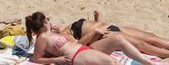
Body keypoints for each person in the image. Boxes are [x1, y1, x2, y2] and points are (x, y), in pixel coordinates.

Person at [27, 12, 155, 65]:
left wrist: (60, 32)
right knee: (111, 62)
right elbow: (36, 59)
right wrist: (58, 59)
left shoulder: (53, 33)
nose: (50, 20)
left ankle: (146, 62)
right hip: (75, 56)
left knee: (118, 39)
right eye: (47, 19)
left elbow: (73, 42)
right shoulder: (42, 38)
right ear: (43, 23)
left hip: (82, 48)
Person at [70, 15, 169, 59]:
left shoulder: (63, 31)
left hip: (108, 27)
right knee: (142, 45)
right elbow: (77, 47)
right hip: (104, 35)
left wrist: (97, 18)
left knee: (151, 37)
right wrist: (94, 32)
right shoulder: (64, 36)